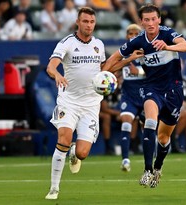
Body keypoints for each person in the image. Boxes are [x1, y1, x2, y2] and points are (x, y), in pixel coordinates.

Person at [102, 4, 186, 188]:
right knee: (150, 121)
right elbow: (113, 59)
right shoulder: (138, 41)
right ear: (141, 22)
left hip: (173, 90)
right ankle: (147, 170)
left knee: (164, 138)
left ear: (159, 19)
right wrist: (102, 74)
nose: (150, 23)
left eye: (153, 19)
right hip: (152, 88)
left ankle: (158, 168)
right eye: (146, 20)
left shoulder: (167, 34)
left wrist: (167, 46)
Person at [45, 7, 106, 200]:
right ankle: (54, 188)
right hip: (68, 101)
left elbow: (104, 70)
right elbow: (51, 66)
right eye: (85, 21)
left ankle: (74, 153)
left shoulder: (99, 45)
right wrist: (57, 74)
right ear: (78, 23)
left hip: (90, 104)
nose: (89, 25)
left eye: (92, 22)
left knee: (82, 152)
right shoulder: (67, 43)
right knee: (63, 138)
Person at [111, 23, 145, 172]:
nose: (132, 36)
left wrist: (138, 72)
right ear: (126, 36)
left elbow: (157, 73)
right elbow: (113, 69)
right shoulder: (123, 54)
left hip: (145, 96)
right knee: (126, 122)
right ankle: (125, 159)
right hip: (129, 96)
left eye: (135, 33)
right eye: (130, 34)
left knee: (149, 127)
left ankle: (152, 161)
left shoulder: (147, 52)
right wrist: (114, 77)